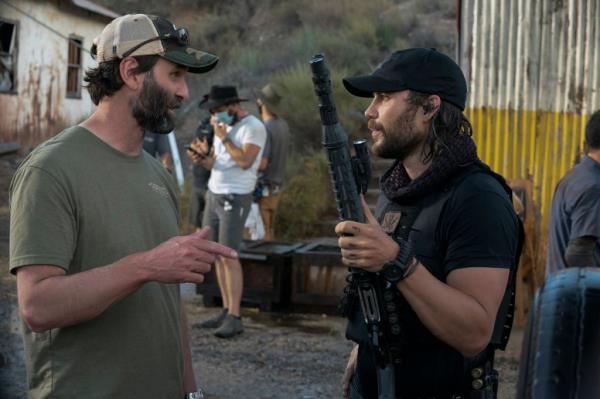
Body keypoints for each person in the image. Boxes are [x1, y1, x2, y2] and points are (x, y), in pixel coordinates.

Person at [8, 14, 237, 399]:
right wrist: (145, 266)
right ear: (132, 71)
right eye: (175, 75)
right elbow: (38, 306)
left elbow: (169, 300)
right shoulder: (50, 170)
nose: (184, 93)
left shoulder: (158, 175)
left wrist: (191, 391)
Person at [335, 48, 522, 398]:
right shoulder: (396, 188)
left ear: (429, 107)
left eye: (385, 97)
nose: (369, 112)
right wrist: (366, 345)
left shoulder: (478, 198)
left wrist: (396, 261)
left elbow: (475, 332)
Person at [188, 85, 266, 338]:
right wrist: (202, 159)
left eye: (220, 110)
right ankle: (225, 309)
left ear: (234, 105)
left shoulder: (253, 127)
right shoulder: (224, 126)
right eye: (213, 111)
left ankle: (235, 316)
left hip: (236, 195)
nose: (216, 116)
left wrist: (223, 138)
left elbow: (245, 162)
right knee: (218, 255)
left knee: (230, 256)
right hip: (215, 191)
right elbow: (218, 162)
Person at [546, 110, 600, 276]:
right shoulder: (593, 186)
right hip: (577, 297)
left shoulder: (574, 176)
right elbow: (579, 254)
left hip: (560, 293)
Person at [255, 83, 291, 241]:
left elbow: (262, 164)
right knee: (270, 231)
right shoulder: (283, 125)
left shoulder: (264, 128)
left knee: (261, 236)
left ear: (261, 102)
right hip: (277, 188)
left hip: (264, 190)